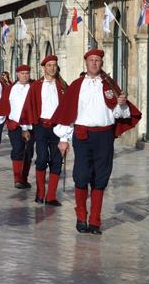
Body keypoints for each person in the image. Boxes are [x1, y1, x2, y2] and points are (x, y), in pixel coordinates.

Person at [52, 49, 141, 235]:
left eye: (98, 60)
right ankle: (81, 215)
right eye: (91, 60)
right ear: (86, 62)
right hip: (82, 134)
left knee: (101, 177)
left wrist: (122, 104)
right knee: (82, 175)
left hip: (104, 136)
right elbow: (68, 112)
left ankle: (95, 220)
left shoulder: (109, 84)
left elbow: (119, 113)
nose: (94, 63)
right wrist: (63, 138)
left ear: (101, 63)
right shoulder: (77, 86)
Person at [21, 55, 68, 206]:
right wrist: (25, 127)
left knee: (56, 160)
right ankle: (40, 193)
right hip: (40, 126)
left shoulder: (62, 85)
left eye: (54, 65)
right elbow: (28, 105)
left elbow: (68, 106)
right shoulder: (36, 86)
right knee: (41, 158)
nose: (52, 68)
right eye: (49, 65)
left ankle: (51, 196)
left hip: (57, 127)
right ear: (44, 68)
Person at [6, 65, 34, 189]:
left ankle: (24, 178)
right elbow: (3, 105)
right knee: (18, 149)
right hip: (15, 124)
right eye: (22, 73)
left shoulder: (33, 88)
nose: (25, 75)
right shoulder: (11, 88)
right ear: (17, 74)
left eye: (27, 73)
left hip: (30, 125)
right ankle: (17, 178)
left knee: (29, 152)